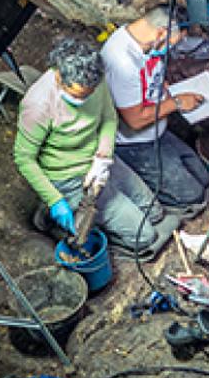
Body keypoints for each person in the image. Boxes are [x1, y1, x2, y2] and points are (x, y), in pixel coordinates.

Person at [12, 37, 175, 256]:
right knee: (144, 237)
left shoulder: (94, 78)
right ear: (59, 77)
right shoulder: (38, 105)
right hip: (68, 176)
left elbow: (108, 117)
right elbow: (24, 159)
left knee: (154, 212)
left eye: (89, 93)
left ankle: (87, 205)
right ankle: (52, 214)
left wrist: (103, 157)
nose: (86, 98)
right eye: (79, 95)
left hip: (99, 163)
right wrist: (55, 200)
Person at [100, 5, 209, 211]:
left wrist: (166, 87)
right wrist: (177, 102)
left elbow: (152, 73)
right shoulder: (122, 62)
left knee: (203, 177)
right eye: (173, 42)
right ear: (162, 32)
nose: (170, 49)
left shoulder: (145, 38)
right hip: (135, 143)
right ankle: (142, 186)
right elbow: (135, 121)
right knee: (192, 195)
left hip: (159, 130)